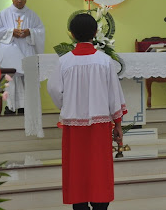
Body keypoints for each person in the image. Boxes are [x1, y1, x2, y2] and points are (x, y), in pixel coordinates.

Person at [47, 13, 127, 210]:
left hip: (74, 125)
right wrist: (117, 124)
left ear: (72, 34)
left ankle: (80, 205)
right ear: (95, 32)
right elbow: (114, 95)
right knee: (99, 167)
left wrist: (67, 106)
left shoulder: (64, 61)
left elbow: (54, 89)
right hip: (100, 125)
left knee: (77, 168)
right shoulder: (105, 61)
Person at [0, 0, 45, 114]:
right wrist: (11, 32)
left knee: (27, 79)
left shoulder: (32, 15)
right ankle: (10, 107)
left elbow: (41, 31)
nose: (20, 1)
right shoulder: (4, 14)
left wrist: (30, 32)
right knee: (11, 80)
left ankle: (25, 108)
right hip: (10, 51)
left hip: (27, 50)